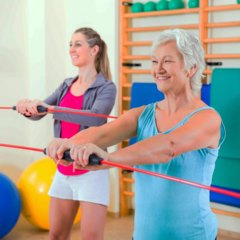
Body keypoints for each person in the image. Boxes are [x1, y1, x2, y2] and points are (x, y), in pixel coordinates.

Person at [46, 28, 224, 240]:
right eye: (154, 61)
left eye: (167, 61)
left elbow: (168, 146)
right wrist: (68, 143)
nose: (158, 69)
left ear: (191, 68)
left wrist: (109, 159)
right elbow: (102, 134)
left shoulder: (208, 118)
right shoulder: (144, 114)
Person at [16, 27, 116, 240]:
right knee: (57, 236)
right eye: (70, 44)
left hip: (91, 172)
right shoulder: (65, 85)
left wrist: (49, 109)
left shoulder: (106, 87)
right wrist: (29, 108)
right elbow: (41, 112)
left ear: (94, 50)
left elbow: (95, 118)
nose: (72, 48)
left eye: (78, 44)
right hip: (63, 170)